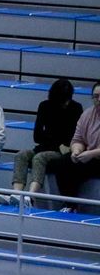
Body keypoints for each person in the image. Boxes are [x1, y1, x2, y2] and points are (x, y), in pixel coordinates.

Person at [0, 78, 81, 206]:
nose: (66, 103)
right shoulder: (44, 106)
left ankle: (31, 197)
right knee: (21, 155)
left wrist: (58, 143)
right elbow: (37, 136)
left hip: (62, 152)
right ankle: (16, 194)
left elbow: (74, 136)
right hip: (47, 146)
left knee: (39, 158)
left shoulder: (76, 108)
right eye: (63, 100)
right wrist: (57, 143)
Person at [47, 81, 100, 211]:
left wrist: (91, 154)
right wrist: (76, 150)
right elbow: (77, 138)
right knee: (62, 163)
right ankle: (70, 204)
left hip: (95, 156)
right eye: (95, 96)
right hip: (89, 156)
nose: (99, 99)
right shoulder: (87, 114)